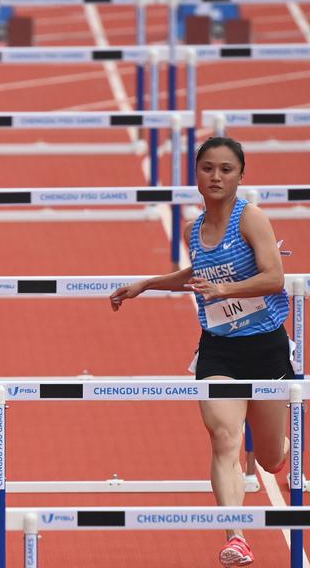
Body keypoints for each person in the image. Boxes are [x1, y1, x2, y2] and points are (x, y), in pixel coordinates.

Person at [109, 137, 291, 567]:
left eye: (226, 169)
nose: (215, 176)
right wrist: (147, 284)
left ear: (240, 175)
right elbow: (198, 274)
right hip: (219, 351)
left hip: (265, 349)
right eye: (207, 168)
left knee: (269, 459)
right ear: (196, 174)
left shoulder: (253, 219)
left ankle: (280, 444)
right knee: (224, 439)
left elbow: (275, 277)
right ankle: (236, 537)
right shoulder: (194, 230)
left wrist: (226, 288)